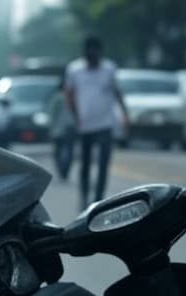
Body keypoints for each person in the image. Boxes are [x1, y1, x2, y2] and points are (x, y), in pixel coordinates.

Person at [65, 35, 129, 209]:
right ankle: (84, 197)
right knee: (85, 165)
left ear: (100, 52)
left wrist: (124, 114)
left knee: (102, 165)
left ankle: (99, 200)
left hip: (105, 124)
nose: (91, 54)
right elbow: (69, 94)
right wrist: (75, 116)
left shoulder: (109, 69)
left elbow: (117, 92)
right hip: (84, 125)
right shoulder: (74, 70)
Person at [47, 76, 76, 180]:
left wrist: (51, 128)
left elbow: (52, 115)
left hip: (60, 129)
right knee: (68, 150)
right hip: (68, 127)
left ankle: (62, 170)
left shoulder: (57, 97)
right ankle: (64, 171)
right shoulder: (71, 96)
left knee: (59, 151)